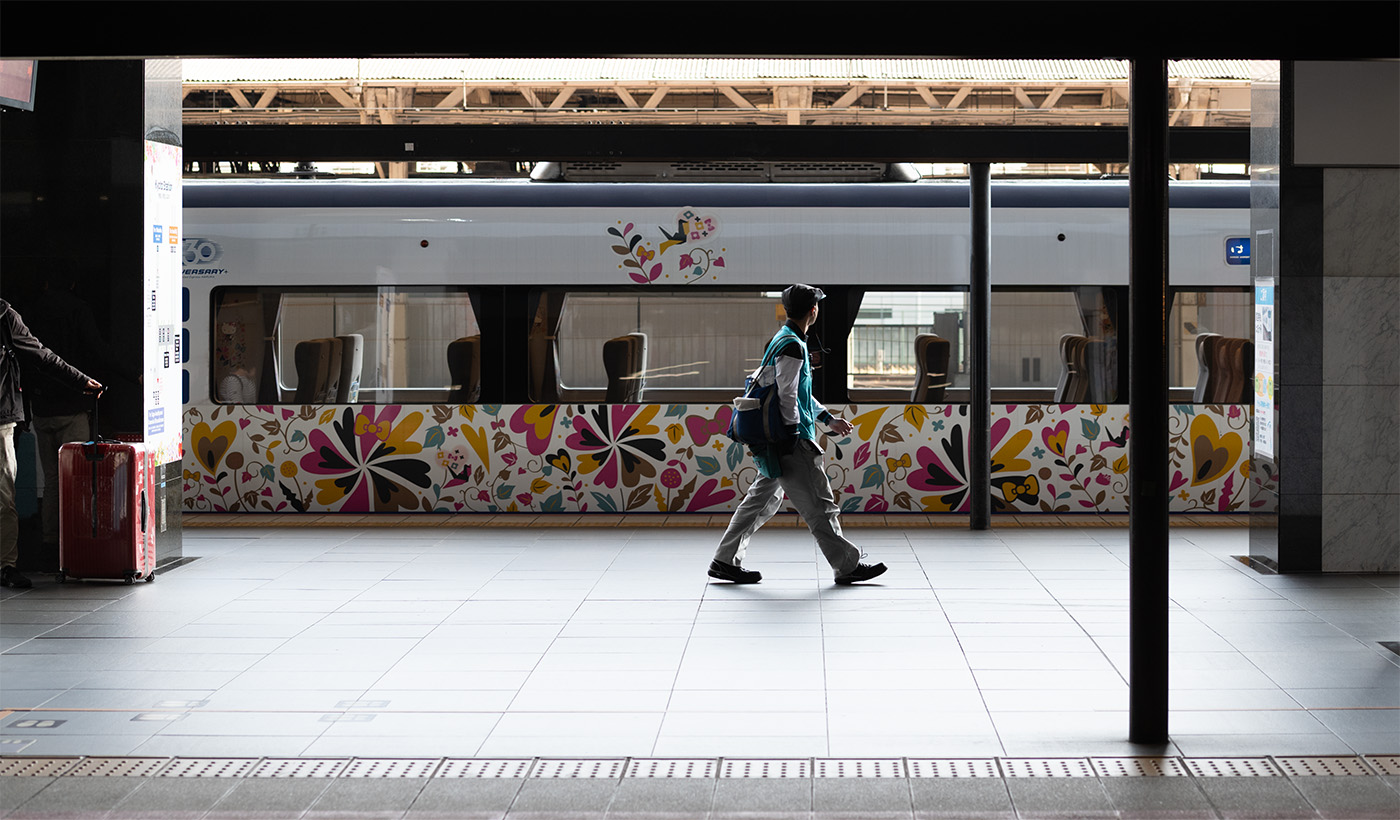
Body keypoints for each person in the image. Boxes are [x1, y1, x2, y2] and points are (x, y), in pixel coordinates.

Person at [709, 284, 886, 586]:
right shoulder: (792, 345)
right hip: (790, 440)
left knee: (759, 503)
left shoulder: (783, 340)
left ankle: (724, 561)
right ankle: (847, 566)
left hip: (777, 439)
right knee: (820, 504)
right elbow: (788, 396)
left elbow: (795, 392)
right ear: (813, 310)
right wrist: (792, 435)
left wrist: (827, 418)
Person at [23, 277, 132, 551]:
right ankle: (80, 539)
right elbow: (98, 348)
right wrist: (134, 374)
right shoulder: (79, 309)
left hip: (42, 410)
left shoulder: (30, 311)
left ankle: (51, 541)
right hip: (72, 407)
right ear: (72, 283)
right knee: (81, 478)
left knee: (52, 481)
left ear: (45, 284)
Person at [1, 298, 103, 589]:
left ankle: (7, 564)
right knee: (4, 495)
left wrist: (78, 379)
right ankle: (7, 566)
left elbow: (39, 355)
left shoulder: (3, 315)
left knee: (4, 494)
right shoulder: (5, 314)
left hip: (2, 417)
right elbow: (40, 355)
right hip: (5, 416)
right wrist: (81, 380)